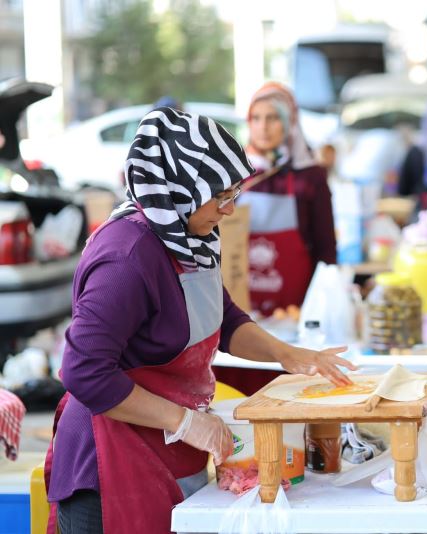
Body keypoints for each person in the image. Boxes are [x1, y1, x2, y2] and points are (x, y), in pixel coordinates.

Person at [45, 107, 356, 534]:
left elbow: (223, 319)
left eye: (234, 195)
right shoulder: (126, 257)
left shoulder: (191, 239)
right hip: (108, 464)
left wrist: (290, 356)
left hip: (167, 452)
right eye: (221, 196)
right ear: (181, 188)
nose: (229, 209)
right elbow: (83, 373)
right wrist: (185, 422)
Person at [239, 83, 337, 318]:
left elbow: (326, 247)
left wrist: (320, 302)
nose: (263, 127)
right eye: (256, 118)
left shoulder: (310, 176)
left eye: (273, 118)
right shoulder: (235, 172)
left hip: (296, 308)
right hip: (241, 307)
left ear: (290, 121)